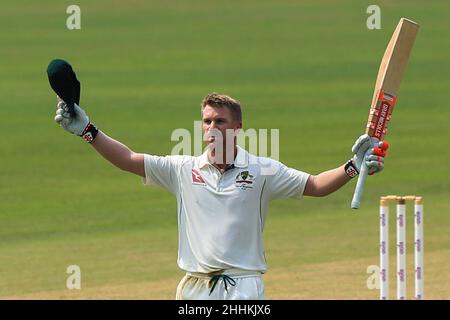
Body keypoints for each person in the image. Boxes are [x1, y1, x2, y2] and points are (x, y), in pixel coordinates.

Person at [54, 92, 387, 300]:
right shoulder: (182, 169)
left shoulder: (260, 170)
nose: (212, 127)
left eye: (221, 121)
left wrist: (353, 166)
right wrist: (88, 131)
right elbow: (127, 159)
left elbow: (314, 185)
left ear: (238, 127)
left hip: (243, 287)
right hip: (194, 288)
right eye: (207, 121)